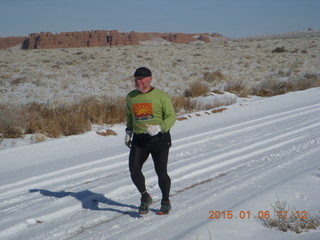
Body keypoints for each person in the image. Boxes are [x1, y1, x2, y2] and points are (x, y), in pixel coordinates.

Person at [125, 67, 176, 215]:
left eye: (141, 79)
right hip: (140, 139)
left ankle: (166, 201)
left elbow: (171, 116)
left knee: (161, 172)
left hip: (159, 139)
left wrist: (160, 127)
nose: (138, 82)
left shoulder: (161, 96)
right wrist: (129, 131)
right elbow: (129, 116)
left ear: (149, 79)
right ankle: (145, 196)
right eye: (136, 79)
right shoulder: (131, 97)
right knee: (134, 169)